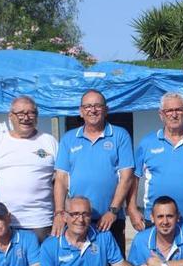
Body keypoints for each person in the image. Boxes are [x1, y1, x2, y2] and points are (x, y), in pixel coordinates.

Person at [53, 89, 134, 253]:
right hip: (77, 218)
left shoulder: (120, 135)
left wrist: (113, 211)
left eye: (97, 105)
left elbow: (127, 177)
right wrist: (59, 213)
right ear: (81, 111)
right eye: (88, 106)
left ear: (106, 109)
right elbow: (61, 179)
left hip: (110, 218)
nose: (93, 110)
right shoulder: (69, 138)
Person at [128, 92, 183, 237]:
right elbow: (134, 178)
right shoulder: (147, 143)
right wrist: (132, 209)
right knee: (155, 260)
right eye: (169, 110)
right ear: (161, 114)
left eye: (178, 110)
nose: (174, 114)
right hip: (155, 219)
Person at [0, 95, 58, 242]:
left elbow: (62, 177)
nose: (26, 118)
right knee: (9, 264)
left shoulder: (49, 141)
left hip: (41, 221)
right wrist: (0, 187)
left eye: (31, 113)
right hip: (6, 221)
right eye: (20, 113)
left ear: (37, 116)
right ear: (10, 116)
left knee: (41, 264)